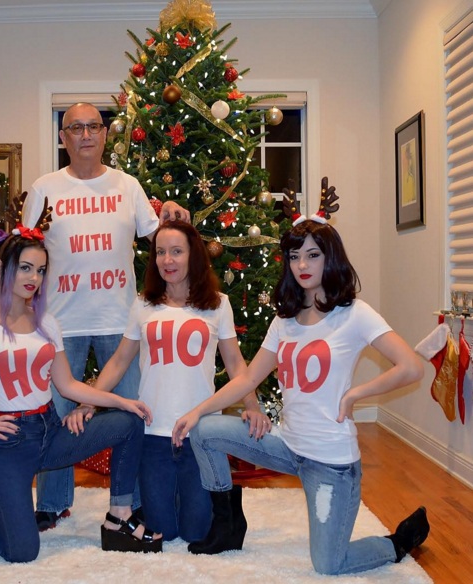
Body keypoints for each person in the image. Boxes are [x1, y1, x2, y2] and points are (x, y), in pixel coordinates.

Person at [172, 203, 429, 574]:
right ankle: (227, 525)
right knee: (204, 429)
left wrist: (356, 394)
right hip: (287, 446)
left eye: (313, 255)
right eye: (295, 257)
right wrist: (197, 411)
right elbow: (248, 378)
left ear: (330, 258)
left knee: (329, 564)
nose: (302, 265)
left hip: (330, 462)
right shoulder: (285, 320)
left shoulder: (354, 314)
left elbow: (411, 367)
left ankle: (398, 542)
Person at [0, 224, 163, 563]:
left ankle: (119, 516)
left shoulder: (47, 322)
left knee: (128, 422)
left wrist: (121, 401)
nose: (34, 278)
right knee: (22, 551)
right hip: (9, 445)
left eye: (40, 270)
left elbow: (67, 385)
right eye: (25, 268)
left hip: (50, 432)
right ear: (0, 267)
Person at [23, 102, 189, 531]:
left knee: (132, 414)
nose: (85, 134)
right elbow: (28, 254)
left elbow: (159, 238)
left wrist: (171, 211)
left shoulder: (127, 185)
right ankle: (52, 504)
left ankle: (130, 503)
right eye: (75, 127)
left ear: (104, 134)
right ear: (63, 137)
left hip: (121, 322)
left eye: (93, 126)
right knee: (58, 417)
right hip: (60, 324)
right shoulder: (44, 188)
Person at [65, 221, 267, 542]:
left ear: (193, 255)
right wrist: (88, 402)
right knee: (164, 531)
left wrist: (253, 406)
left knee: (196, 533)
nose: (167, 260)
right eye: (160, 252)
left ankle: (221, 504)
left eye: (176, 252)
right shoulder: (143, 304)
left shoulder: (218, 304)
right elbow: (119, 361)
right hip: (153, 434)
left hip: (199, 433)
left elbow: (235, 363)